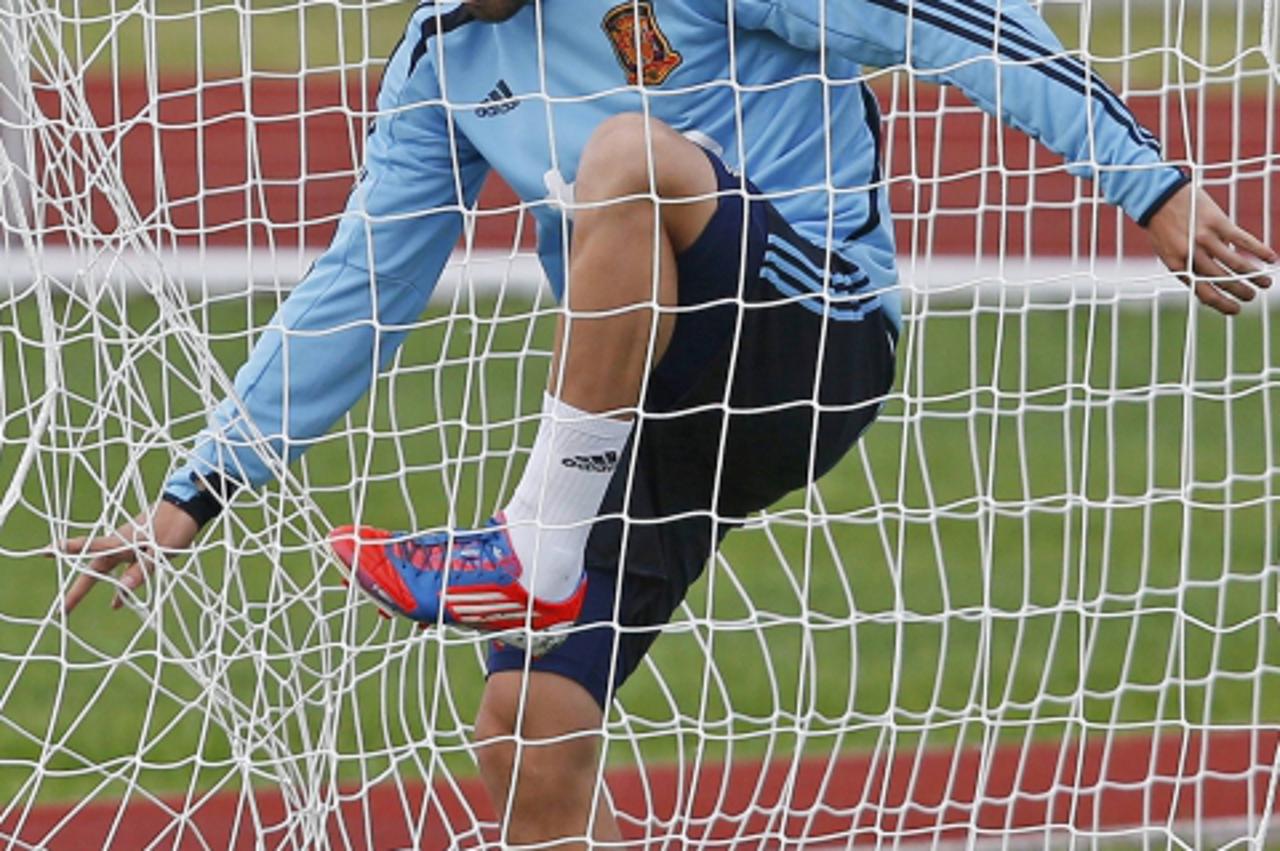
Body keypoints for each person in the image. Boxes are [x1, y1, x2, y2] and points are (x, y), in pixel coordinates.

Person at [60, 0, 1275, 846]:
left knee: (625, 156)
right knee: (526, 729)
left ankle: (528, 542)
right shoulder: (441, 54)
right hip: (650, 408)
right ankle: (537, 558)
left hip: (808, 333)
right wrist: (191, 497)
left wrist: (1147, 186)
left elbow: (946, 19)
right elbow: (360, 285)